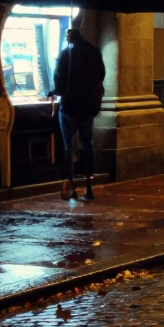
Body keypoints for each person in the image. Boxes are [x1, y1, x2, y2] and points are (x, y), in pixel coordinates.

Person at [50, 27, 106, 201]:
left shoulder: (66, 54)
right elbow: (101, 75)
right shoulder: (94, 52)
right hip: (89, 106)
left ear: (69, 36)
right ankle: (89, 186)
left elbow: (59, 80)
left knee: (68, 145)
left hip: (70, 106)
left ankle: (69, 183)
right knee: (86, 143)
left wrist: (54, 91)